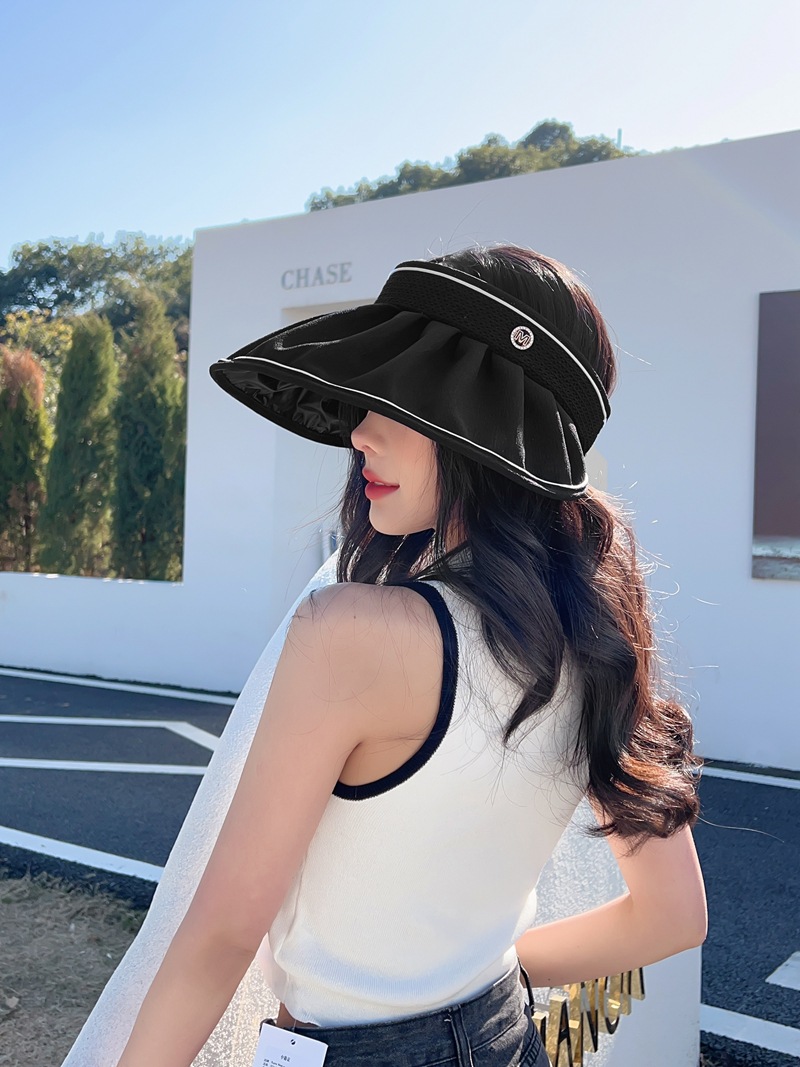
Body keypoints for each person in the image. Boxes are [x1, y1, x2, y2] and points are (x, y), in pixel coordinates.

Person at [113, 244, 707, 1067]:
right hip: (506, 1036)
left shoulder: (351, 633)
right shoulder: (596, 641)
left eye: (409, 398)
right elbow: (674, 917)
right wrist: (479, 986)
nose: (361, 430)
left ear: (491, 423)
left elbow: (221, 937)